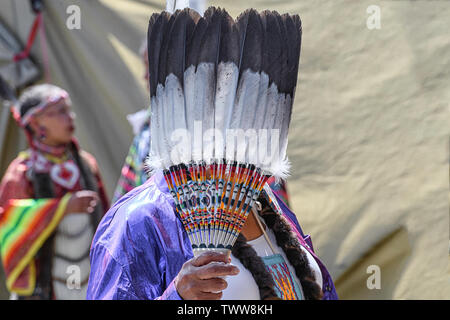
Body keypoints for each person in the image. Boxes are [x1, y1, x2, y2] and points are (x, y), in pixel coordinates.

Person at [87, 7, 338, 300]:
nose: (245, 116)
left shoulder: (266, 204)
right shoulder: (139, 220)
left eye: (251, 100)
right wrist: (177, 297)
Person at [0, 84, 109, 299]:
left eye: (69, 109)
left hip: (88, 277)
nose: (70, 117)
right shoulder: (21, 173)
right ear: (36, 122)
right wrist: (62, 208)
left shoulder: (86, 163)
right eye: (60, 112)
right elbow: (8, 223)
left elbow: (106, 216)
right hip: (43, 286)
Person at [112, 39, 151, 204]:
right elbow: (129, 186)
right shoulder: (147, 126)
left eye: (151, 65)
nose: (145, 76)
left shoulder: (206, 128)